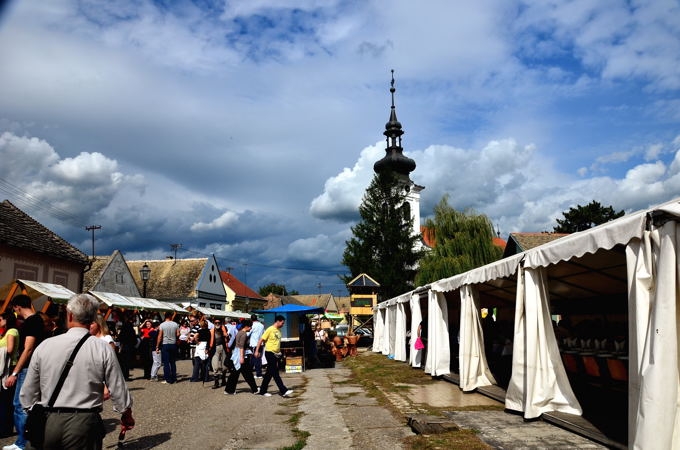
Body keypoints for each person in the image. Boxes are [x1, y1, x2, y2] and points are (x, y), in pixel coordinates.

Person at [19, 293, 134, 450]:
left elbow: (27, 393)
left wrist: (34, 412)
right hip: (84, 423)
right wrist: (126, 414)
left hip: (48, 420)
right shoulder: (102, 348)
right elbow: (118, 388)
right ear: (93, 317)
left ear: (70, 315)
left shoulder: (46, 346)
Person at [3, 294, 44, 450]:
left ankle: (22, 443)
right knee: (22, 405)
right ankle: (21, 441)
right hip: (29, 367)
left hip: (27, 368)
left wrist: (14, 373)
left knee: (21, 405)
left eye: (15, 308)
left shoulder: (33, 321)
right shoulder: (35, 320)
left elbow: (28, 349)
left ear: (17, 307)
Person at [254, 315, 293, 398]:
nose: (283, 324)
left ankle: (262, 390)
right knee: (275, 372)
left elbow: (277, 343)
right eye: (282, 323)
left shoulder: (279, 331)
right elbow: (261, 340)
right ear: (278, 321)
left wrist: (279, 352)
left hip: (276, 354)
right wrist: (257, 351)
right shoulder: (270, 329)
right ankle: (283, 390)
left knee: (269, 373)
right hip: (269, 353)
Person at [224, 319, 258, 395]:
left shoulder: (239, 332)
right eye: (250, 327)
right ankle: (255, 389)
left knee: (235, 374)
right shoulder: (244, 334)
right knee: (247, 374)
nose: (251, 328)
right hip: (241, 355)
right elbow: (241, 346)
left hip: (236, 354)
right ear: (247, 326)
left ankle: (229, 389)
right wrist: (242, 357)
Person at [0, 312, 19, 437]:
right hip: (5, 367)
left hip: (9, 367)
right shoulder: (6, 332)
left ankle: (4, 430)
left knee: (5, 400)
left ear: (6, 319)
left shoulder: (11, 331)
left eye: (0, 319)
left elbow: (10, 349)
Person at [156, 312, 179, 384]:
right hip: (173, 343)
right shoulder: (175, 324)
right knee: (172, 362)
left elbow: (160, 336)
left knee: (166, 363)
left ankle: (168, 379)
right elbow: (178, 334)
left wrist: (157, 346)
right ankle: (174, 378)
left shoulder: (162, 325)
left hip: (165, 344)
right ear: (170, 316)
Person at [209, 319, 230, 388]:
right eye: (216, 323)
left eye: (219, 322)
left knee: (224, 366)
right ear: (214, 323)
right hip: (215, 349)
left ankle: (223, 380)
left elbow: (228, 339)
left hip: (223, 348)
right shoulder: (211, 331)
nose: (217, 324)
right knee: (215, 365)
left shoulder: (224, 330)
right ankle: (216, 382)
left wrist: (225, 334)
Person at [249, 314, 265, 379]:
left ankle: (259, 373)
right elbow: (263, 333)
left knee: (257, 359)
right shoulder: (261, 325)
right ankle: (250, 371)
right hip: (260, 343)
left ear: (251, 319)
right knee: (255, 358)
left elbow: (248, 333)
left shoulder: (252, 325)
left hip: (254, 344)